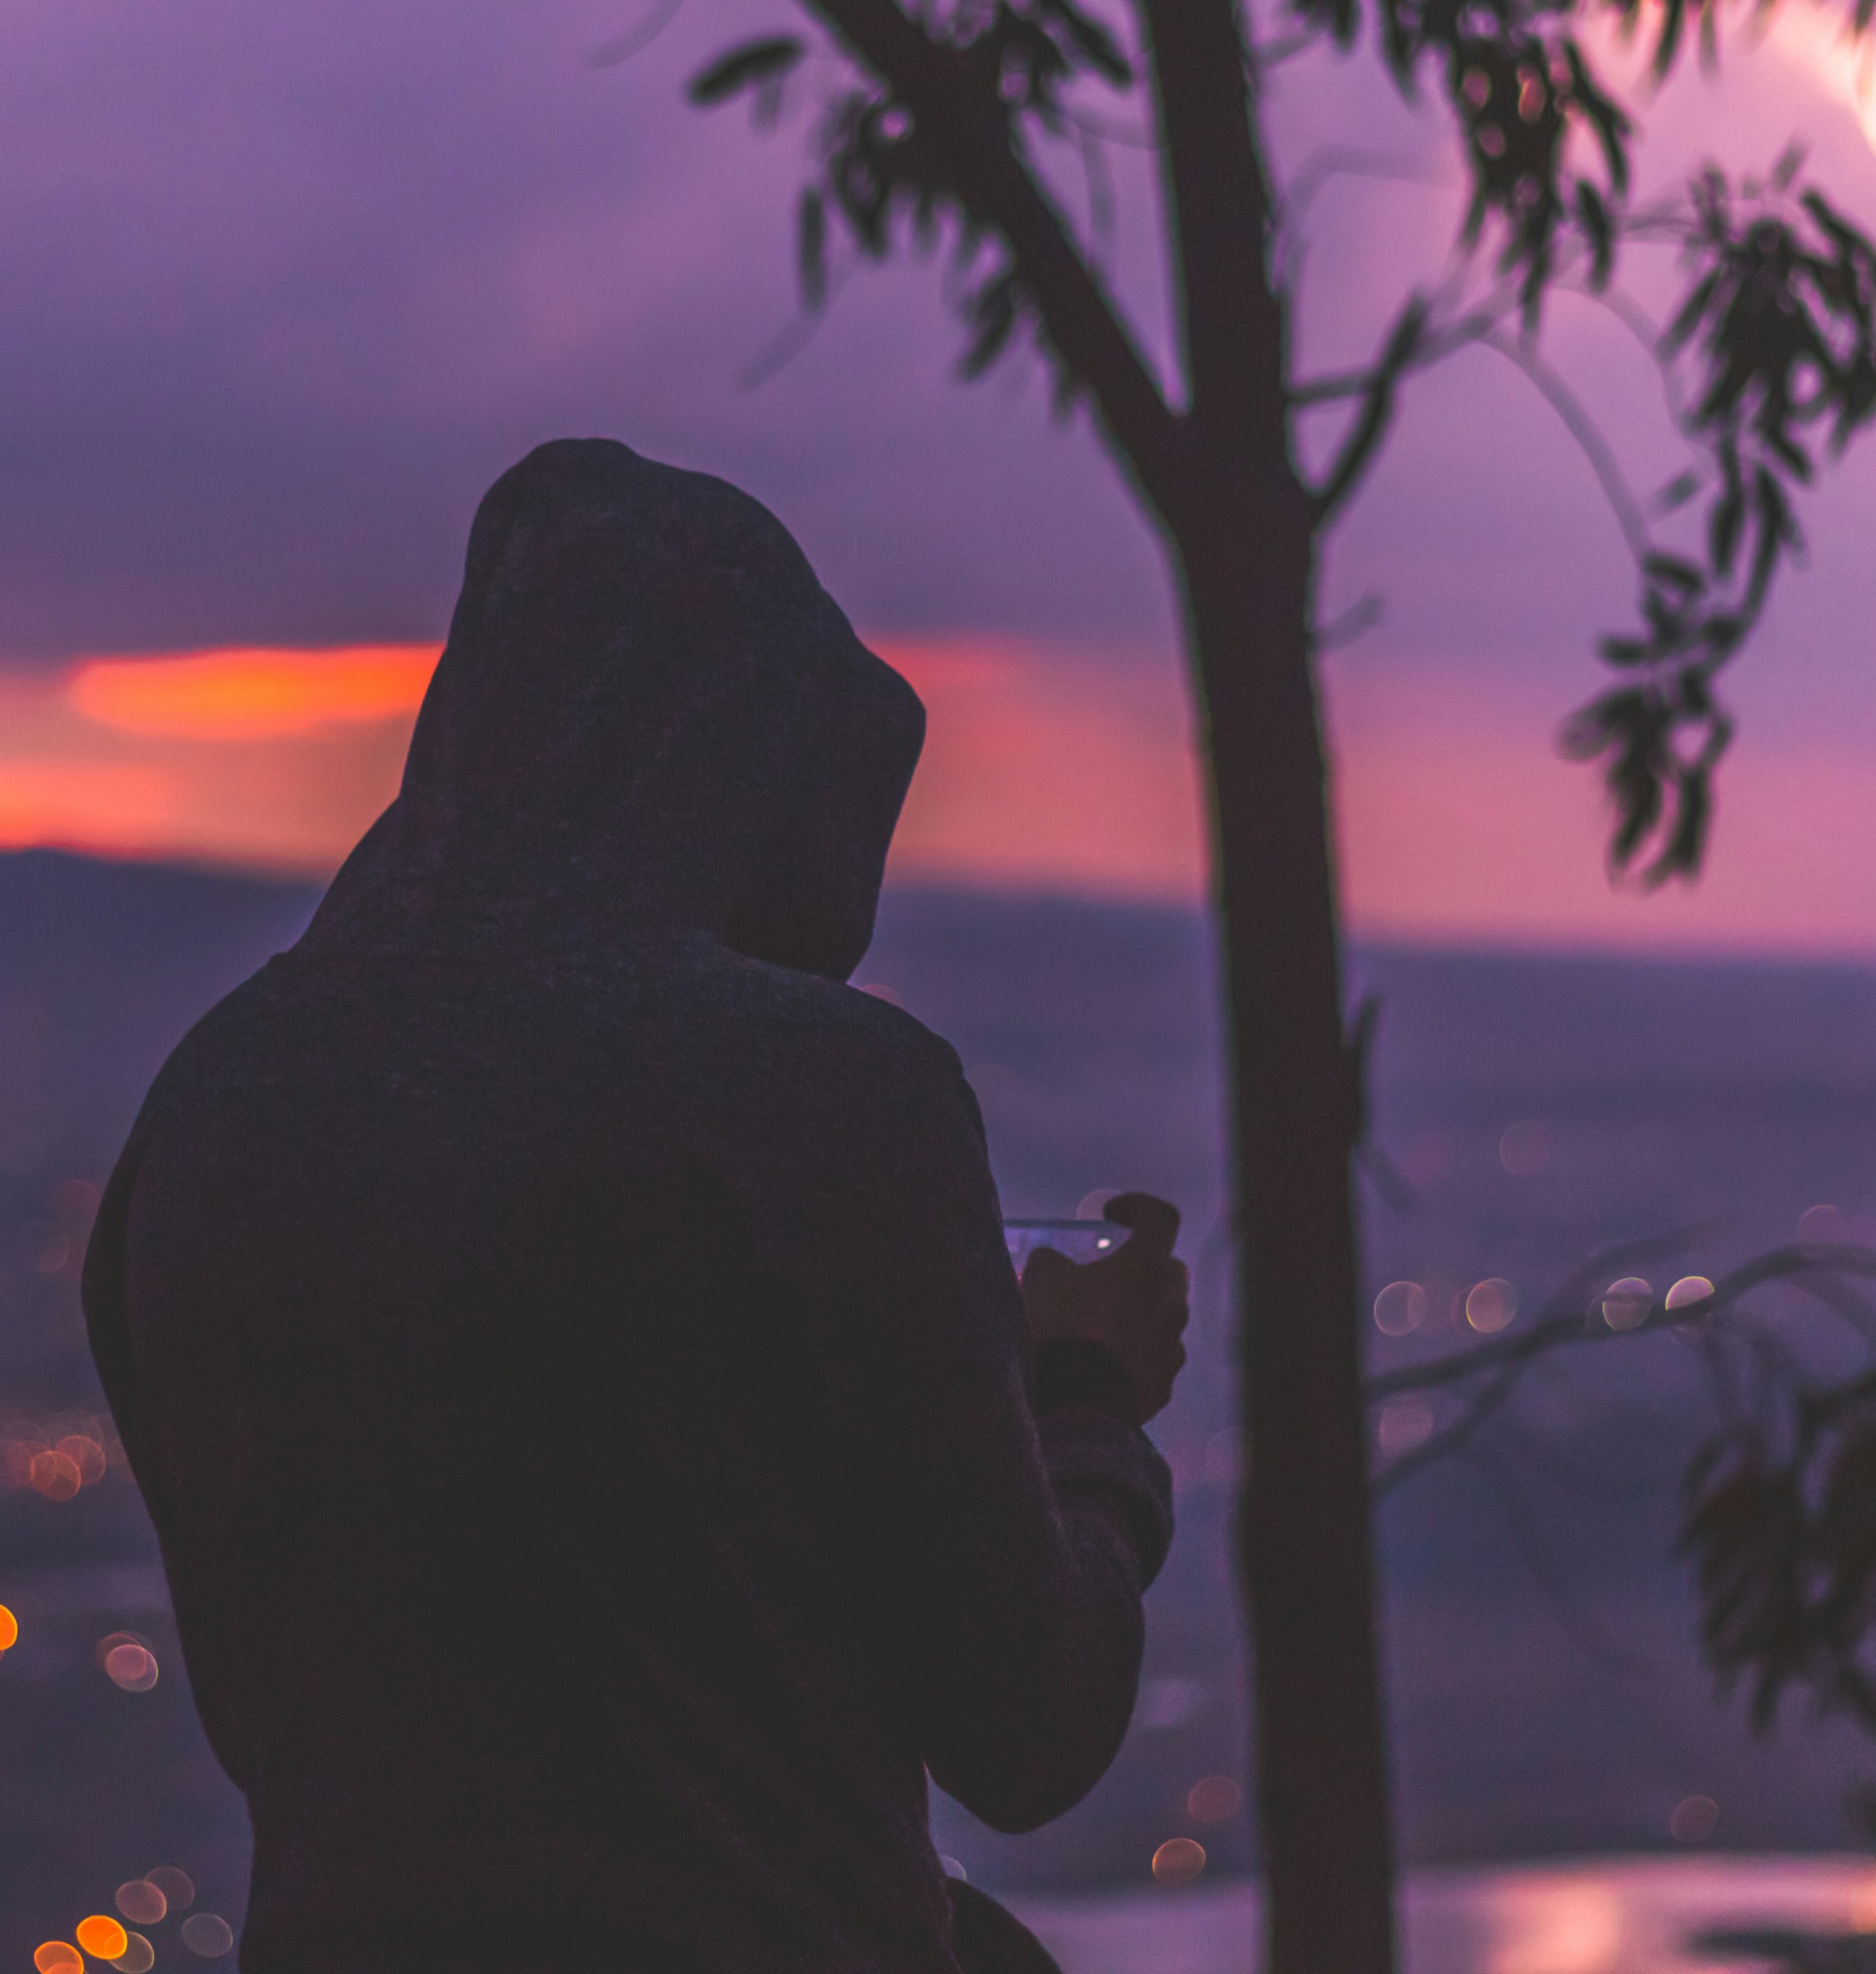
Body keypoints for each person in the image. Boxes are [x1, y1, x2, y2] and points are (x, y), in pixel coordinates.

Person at [88, 440, 1191, 1973]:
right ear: (765, 772)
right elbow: (1029, 1729)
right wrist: (1084, 1400)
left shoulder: (215, 1102)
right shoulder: (830, 1098)